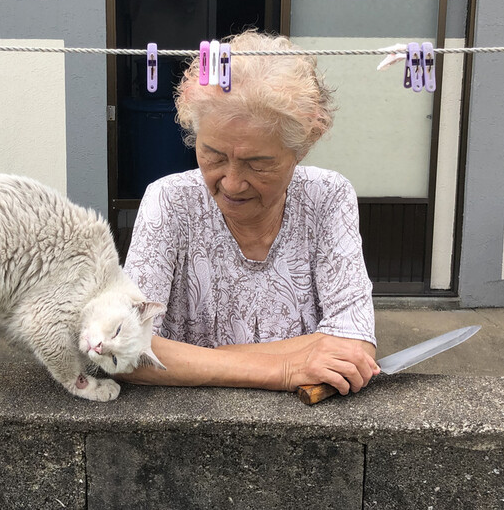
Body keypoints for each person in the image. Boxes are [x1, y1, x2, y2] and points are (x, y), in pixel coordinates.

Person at [119, 30, 379, 396]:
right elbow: (124, 347)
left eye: (258, 164)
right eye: (213, 156)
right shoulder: (170, 201)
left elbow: (354, 344)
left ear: (301, 150)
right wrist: (288, 367)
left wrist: (192, 360)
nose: (232, 183)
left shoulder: (327, 197)